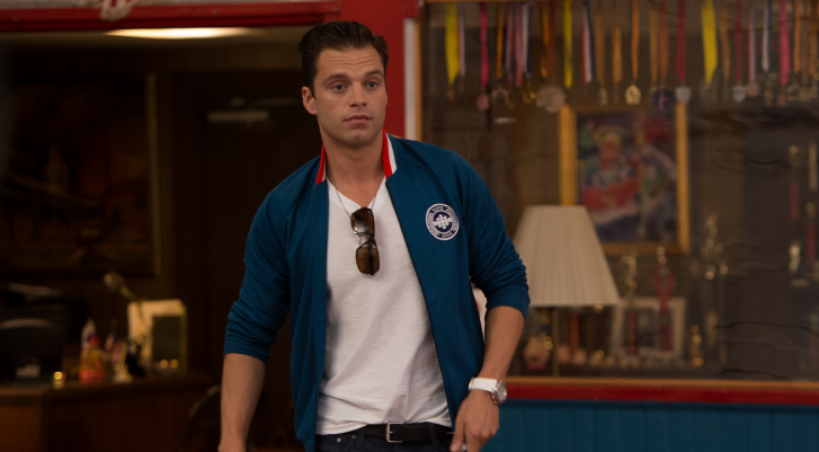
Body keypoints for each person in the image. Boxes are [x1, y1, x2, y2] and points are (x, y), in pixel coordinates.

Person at [219, 21, 529, 452]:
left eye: (371, 82)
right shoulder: (286, 209)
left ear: (385, 91)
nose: (358, 98)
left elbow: (507, 281)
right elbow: (250, 330)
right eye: (338, 86)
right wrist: (231, 440)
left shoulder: (446, 177)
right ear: (309, 99)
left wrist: (487, 386)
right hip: (340, 438)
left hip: (443, 435)